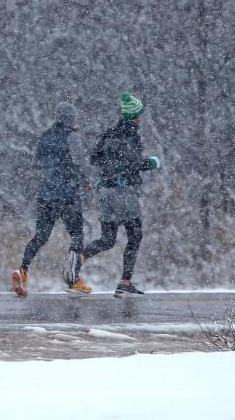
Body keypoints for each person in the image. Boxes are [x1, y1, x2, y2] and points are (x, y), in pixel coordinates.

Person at [81, 91, 161, 298]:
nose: (140, 119)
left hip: (106, 193)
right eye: (139, 115)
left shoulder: (108, 134)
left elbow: (94, 158)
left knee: (108, 239)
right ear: (134, 116)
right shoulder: (131, 136)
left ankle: (78, 259)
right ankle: (125, 283)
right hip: (125, 194)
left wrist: (109, 169)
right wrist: (151, 163)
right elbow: (132, 163)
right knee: (135, 236)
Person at [11, 102, 93, 297]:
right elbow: (80, 162)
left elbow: (37, 164)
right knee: (77, 235)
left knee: (41, 236)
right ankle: (73, 280)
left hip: (46, 195)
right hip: (68, 195)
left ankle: (22, 271)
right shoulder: (72, 137)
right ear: (70, 119)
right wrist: (86, 181)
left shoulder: (45, 136)